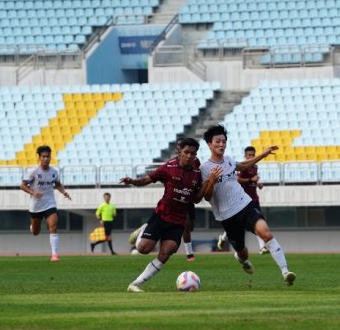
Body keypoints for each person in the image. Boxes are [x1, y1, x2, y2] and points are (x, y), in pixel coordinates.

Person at [200, 125, 297, 286]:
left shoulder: (229, 160)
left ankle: (286, 272)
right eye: (218, 141)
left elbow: (243, 165)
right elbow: (206, 196)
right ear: (210, 144)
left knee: (266, 234)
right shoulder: (204, 169)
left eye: (224, 141)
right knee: (242, 252)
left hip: (245, 205)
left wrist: (263, 154)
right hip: (227, 216)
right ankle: (241, 259)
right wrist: (211, 181)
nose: (222, 144)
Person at [120, 138, 214, 293]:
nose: (190, 156)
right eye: (186, 152)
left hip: (178, 221)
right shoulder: (169, 167)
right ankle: (143, 230)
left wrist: (207, 183)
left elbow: (196, 199)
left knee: (166, 252)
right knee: (143, 249)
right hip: (162, 215)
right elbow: (147, 179)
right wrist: (133, 181)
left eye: (193, 153)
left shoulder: (197, 171)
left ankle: (135, 284)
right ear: (180, 151)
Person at [21, 145, 71, 262]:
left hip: (50, 203)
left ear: (50, 157)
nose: (45, 159)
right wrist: (33, 192)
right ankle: (32, 227)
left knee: (53, 225)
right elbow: (22, 185)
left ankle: (54, 255)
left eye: (48, 156)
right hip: (36, 205)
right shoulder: (33, 172)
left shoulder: (54, 172)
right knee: (35, 232)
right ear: (39, 157)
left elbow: (57, 184)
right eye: (43, 156)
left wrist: (64, 192)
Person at [216, 146, 269, 255]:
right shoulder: (242, 167)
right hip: (241, 200)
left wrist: (258, 184)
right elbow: (238, 180)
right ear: (245, 156)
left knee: (258, 222)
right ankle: (223, 237)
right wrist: (251, 179)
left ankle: (262, 247)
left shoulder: (255, 167)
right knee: (237, 225)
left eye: (253, 155)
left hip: (253, 200)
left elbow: (253, 181)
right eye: (249, 155)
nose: (251, 157)